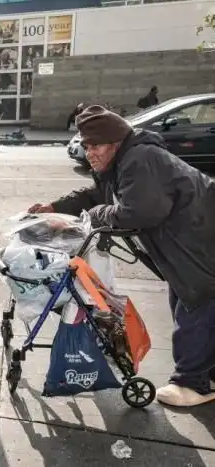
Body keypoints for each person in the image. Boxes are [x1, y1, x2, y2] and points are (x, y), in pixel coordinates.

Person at [28, 105, 215, 408]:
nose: (90, 153)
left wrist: (95, 215)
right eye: (87, 146)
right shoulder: (122, 161)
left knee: (197, 303)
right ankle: (204, 375)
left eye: (96, 146)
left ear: (115, 143)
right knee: (192, 301)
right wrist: (56, 207)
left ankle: (193, 383)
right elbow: (99, 194)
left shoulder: (141, 159)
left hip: (201, 241)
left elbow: (139, 212)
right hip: (191, 243)